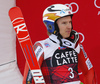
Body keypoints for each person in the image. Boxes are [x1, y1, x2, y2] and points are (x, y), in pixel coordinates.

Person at [23, 4, 97, 84]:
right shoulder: (41, 47)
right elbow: (28, 81)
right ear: (51, 26)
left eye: (70, 22)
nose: (69, 26)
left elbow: (89, 71)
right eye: (64, 23)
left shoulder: (75, 45)